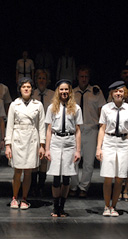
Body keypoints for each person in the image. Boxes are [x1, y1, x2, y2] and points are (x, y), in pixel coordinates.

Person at [96, 81, 128, 217]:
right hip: (109, 141)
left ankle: (114, 206)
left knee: (120, 177)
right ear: (111, 94)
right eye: (116, 91)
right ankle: (106, 206)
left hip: (123, 143)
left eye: (120, 91)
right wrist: (99, 148)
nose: (118, 94)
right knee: (108, 176)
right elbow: (102, 128)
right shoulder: (106, 108)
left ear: (124, 93)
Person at [5, 77, 45, 210]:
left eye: (28, 87)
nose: (26, 89)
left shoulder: (38, 105)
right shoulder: (14, 104)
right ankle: (14, 197)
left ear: (32, 89)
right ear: (20, 89)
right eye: (23, 87)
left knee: (28, 171)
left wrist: (42, 145)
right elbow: (9, 125)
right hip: (18, 138)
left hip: (32, 139)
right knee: (17, 171)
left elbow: (41, 126)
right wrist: (8, 145)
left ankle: (24, 198)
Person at [45, 79, 82, 217]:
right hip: (56, 141)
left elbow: (78, 130)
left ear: (70, 91)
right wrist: (47, 149)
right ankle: (55, 207)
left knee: (67, 177)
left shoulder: (76, 108)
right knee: (56, 176)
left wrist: (78, 150)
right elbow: (49, 129)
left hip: (69, 141)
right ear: (57, 91)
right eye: (61, 89)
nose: (64, 92)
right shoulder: (52, 107)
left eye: (66, 89)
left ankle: (62, 206)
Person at [70, 66, 106, 198]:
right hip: (76, 130)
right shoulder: (72, 93)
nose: (84, 79)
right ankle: (73, 186)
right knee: (73, 160)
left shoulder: (96, 92)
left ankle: (84, 187)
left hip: (91, 129)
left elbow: (101, 111)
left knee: (89, 162)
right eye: (81, 76)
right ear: (77, 78)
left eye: (86, 77)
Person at [31, 69, 55, 196]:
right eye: (39, 78)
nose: (41, 80)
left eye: (44, 78)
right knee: (35, 159)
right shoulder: (32, 93)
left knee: (44, 159)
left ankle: (41, 185)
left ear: (48, 81)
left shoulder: (52, 94)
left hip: (47, 130)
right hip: (33, 130)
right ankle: (33, 186)